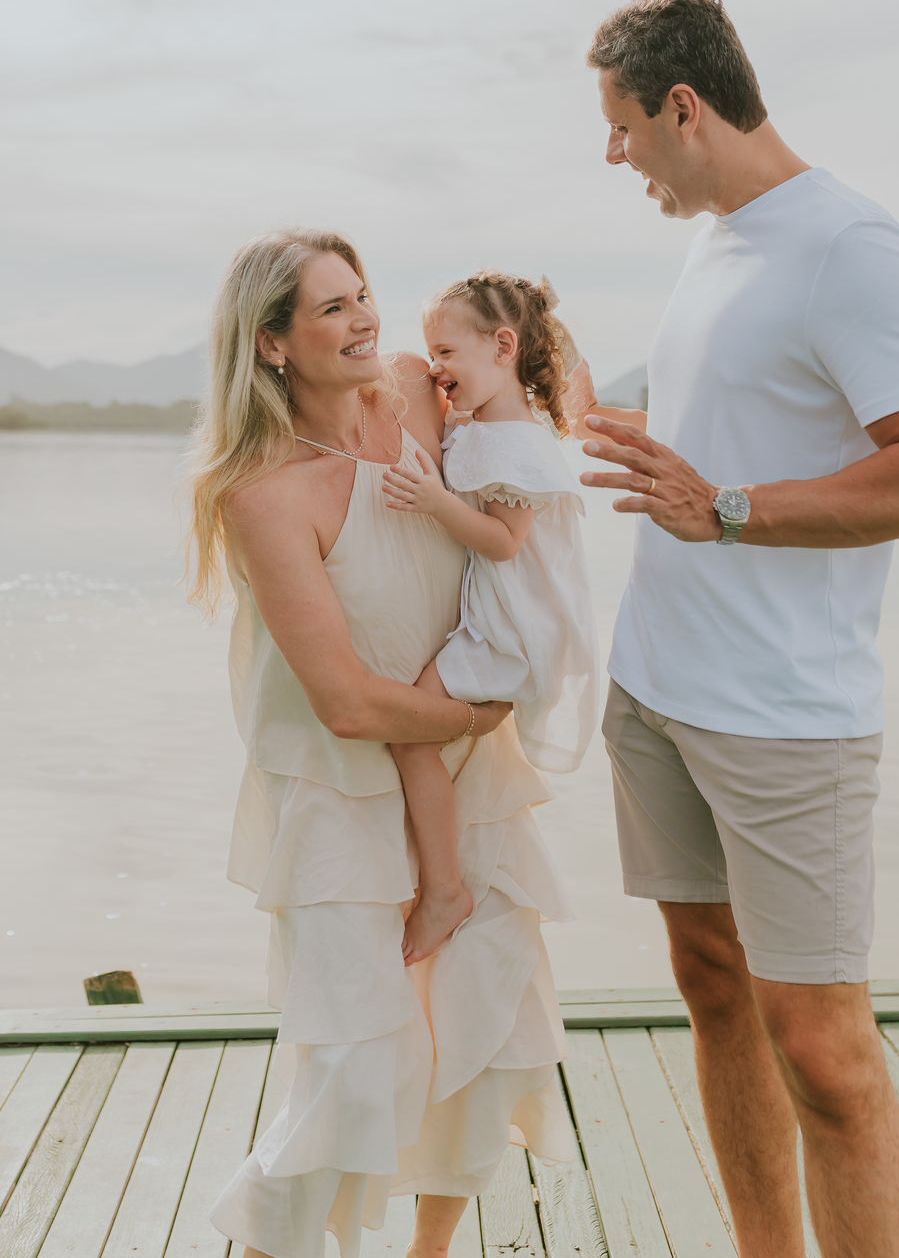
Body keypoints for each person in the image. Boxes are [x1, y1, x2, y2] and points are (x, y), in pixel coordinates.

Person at [569, 0, 899, 1258]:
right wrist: (608, 429)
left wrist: (728, 509)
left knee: (824, 1051)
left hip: (786, 720)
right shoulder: (718, 239)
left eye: (622, 127)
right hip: (659, 690)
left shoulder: (849, 245)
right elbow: (737, 433)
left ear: (683, 107)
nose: (614, 155)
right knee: (713, 990)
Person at [186, 229, 576, 1258]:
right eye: (332, 307)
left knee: (486, 1027)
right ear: (270, 343)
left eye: (361, 294)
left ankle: (428, 1252)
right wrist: (473, 716)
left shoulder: (414, 389)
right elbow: (348, 705)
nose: (364, 318)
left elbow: (518, 418)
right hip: (342, 791)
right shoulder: (261, 492)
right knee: (356, 1063)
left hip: (468, 778)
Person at [380, 270, 597, 964]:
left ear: (503, 347)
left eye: (446, 352)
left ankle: (445, 891)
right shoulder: (481, 427)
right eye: (430, 353)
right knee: (418, 733)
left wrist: (433, 501)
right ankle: (441, 875)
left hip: (512, 632)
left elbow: (504, 542)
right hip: (494, 618)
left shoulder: (521, 446)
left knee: (411, 734)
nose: (435, 368)